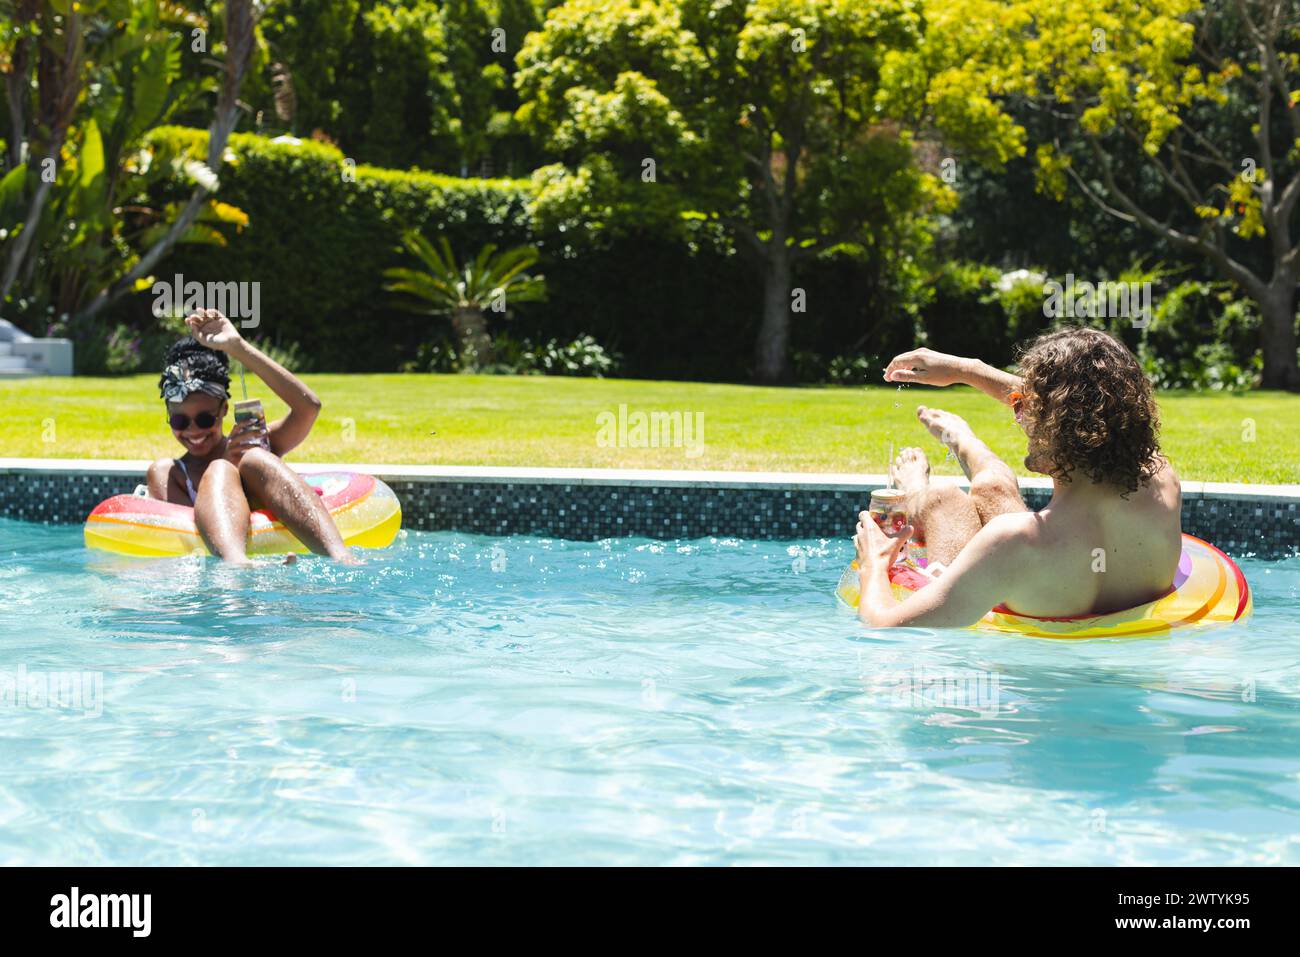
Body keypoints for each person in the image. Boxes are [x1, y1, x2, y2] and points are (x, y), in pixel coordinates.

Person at [853, 327, 1181, 628]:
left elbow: (885, 624)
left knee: (944, 500)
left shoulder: (1011, 543)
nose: (1019, 416)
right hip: (1062, 580)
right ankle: (961, 440)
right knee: (992, 486)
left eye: (1027, 410)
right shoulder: (1162, 480)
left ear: (1057, 426)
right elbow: (1087, 406)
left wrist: (874, 563)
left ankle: (918, 489)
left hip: (1012, 658)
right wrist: (965, 370)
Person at [147, 309, 356, 565]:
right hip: (220, 578)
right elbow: (181, 544)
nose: (193, 431)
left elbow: (309, 407)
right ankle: (238, 563)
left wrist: (238, 348)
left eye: (205, 419)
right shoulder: (171, 475)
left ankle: (341, 557)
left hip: (285, 563)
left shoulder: (256, 443)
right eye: (180, 421)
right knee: (221, 469)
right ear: (168, 417)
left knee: (255, 459)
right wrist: (226, 460)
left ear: (224, 409)